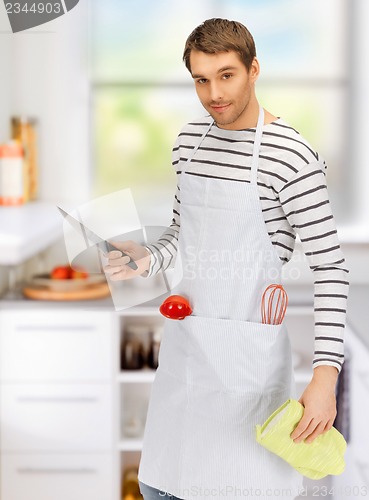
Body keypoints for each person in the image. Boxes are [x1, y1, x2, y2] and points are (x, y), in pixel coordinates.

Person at [104, 18, 349, 500]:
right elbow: (182, 234)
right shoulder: (189, 143)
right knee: (162, 487)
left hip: (247, 370)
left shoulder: (292, 156)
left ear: (253, 69)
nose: (213, 93)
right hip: (186, 357)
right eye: (201, 79)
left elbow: (331, 267)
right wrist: (147, 259)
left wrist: (325, 376)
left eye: (226, 75)